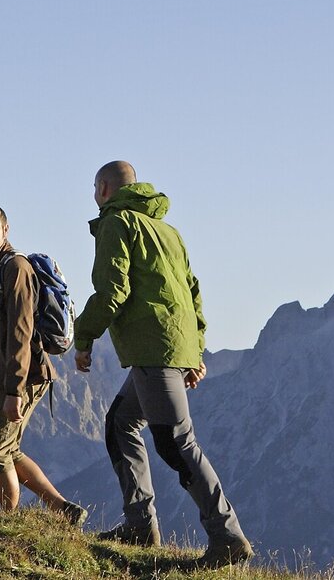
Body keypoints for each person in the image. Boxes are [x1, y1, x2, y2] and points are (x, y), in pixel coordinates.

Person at [74, 161, 252, 568]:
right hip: (170, 346)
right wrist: (196, 349)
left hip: (154, 349)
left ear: (103, 188)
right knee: (120, 423)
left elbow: (112, 291)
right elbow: (193, 291)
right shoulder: (169, 232)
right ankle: (140, 525)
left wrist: (83, 339)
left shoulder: (117, 223)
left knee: (177, 442)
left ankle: (227, 536)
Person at [0, 200, 87, 526]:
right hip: (7, 377)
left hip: (24, 377)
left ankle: (9, 523)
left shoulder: (14, 269)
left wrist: (14, 389)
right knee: (8, 449)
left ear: (5, 230)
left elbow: (21, 331)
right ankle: (63, 510)